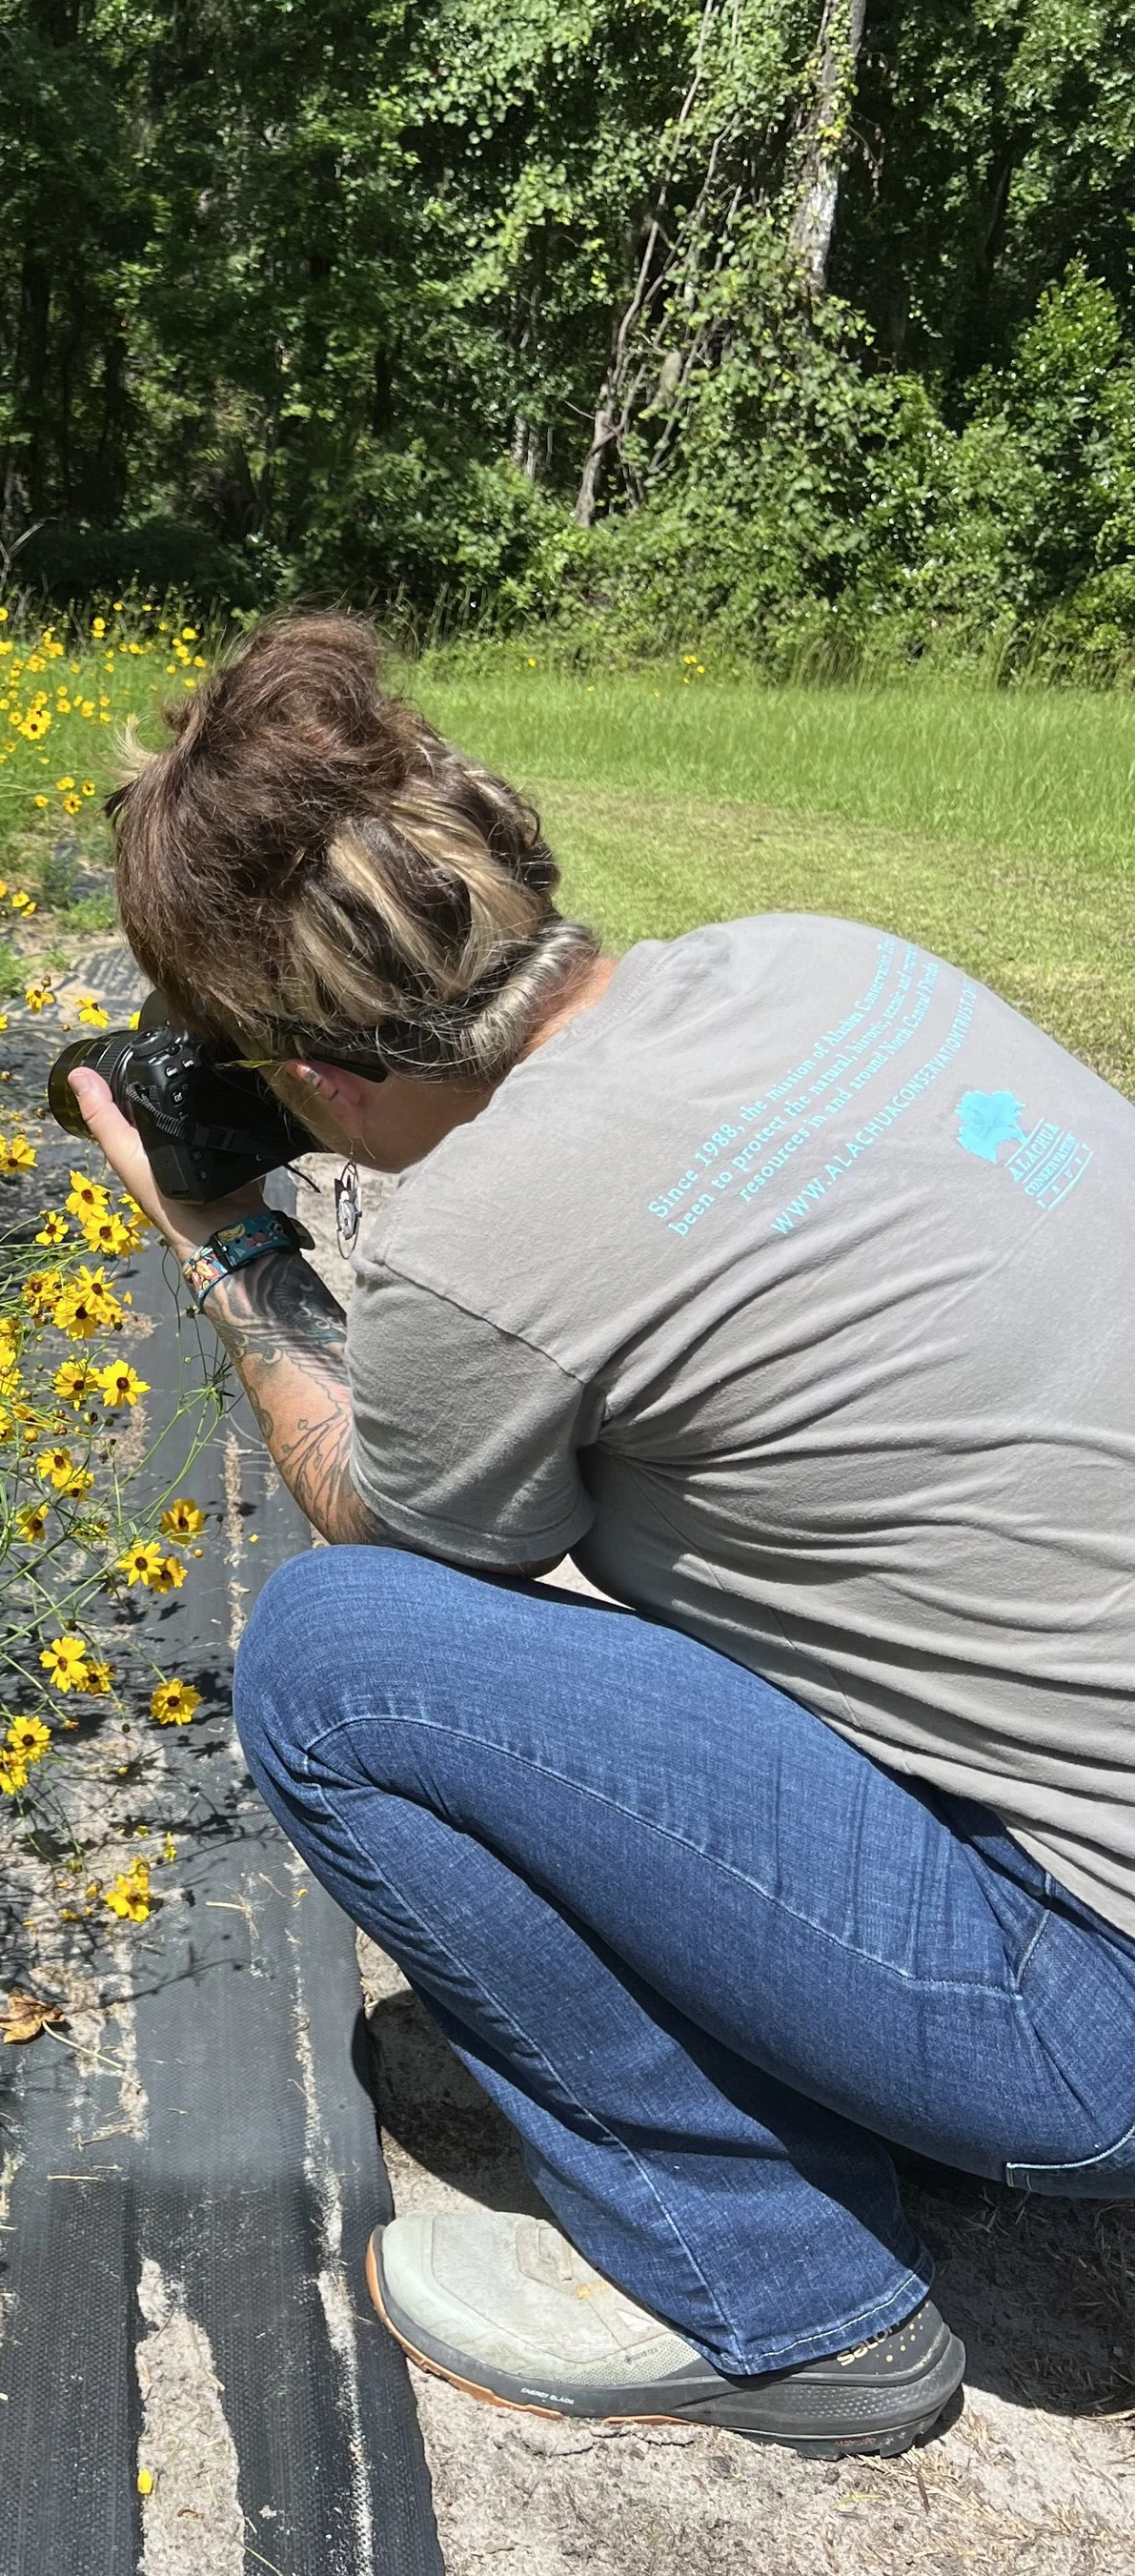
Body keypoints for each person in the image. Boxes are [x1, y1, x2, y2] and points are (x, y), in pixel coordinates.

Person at [69, 612, 1135, 2461]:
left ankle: (770, 2288)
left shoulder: (485, 1239)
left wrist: (219, 1239)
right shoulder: (819, 959)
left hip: (1097, 2018)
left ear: (310, 1078)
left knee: (337, 1666)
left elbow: (388, 1524)